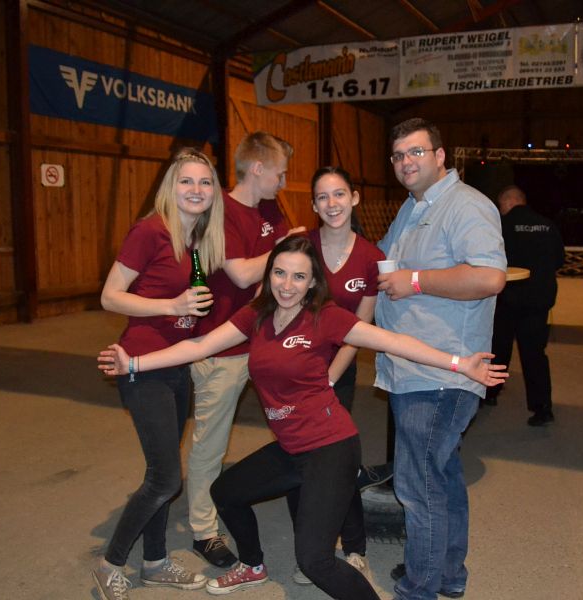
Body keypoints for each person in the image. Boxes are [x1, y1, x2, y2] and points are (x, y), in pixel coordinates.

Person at [97, 236, 508, 600]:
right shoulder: (257, 315)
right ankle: (253, 565)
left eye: (298, 277)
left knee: (314, 561)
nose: (287, 285)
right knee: (226, 492)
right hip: (291, 448)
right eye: (280, 273)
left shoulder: (325, 317)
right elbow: (200, 345)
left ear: (312, 282)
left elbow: (392, 341)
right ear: (269, 274)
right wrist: (133, 363)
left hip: (331, 448)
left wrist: (460, 364)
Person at [375, 118, 507, 600]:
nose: (405, 162)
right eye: (398, 155)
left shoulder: (465, 205)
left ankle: (420, 587)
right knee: (442, 476)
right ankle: (447, 573)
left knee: (418, 484)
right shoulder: (412, 208)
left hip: (440, 375)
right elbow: (379, 263)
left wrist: (415, 281)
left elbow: (489, 277)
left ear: (439, 155)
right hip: (413, 368)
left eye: (415, 152)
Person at [90, 148, 224, 600]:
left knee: (162, 470)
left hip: (175, 366)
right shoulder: (150, 231)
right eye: (186, 181)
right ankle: (110, 563)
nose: (196, 190)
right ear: (171, 187)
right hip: (142, 365)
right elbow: (110, 296)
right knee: (166, 479)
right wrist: (171, 305)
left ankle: (154, 562)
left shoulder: (197, 238)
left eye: (204, 182)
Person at [186, 131, 305, 568]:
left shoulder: (270, 207)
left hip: (265, 339)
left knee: (294, 425)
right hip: (222, 347)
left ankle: (305, 506)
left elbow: (288, 261)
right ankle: (203, 530)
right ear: (257, 168)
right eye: (280, 173)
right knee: (210, 444)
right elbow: (240, 273)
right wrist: (281, 248)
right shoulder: (220, 211)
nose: (283, 182)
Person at [287, 166, 386, 585]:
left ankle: (355, 548)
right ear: (313, 204)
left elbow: (359, 329)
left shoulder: (371, 257)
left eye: (339, 194)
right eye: (323, 197)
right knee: (300, 458)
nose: (332, 204)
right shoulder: (300, 247)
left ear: (354, 198)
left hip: (335, 373)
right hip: (296, 369)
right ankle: (312, 550)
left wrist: (327, 380)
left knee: (337, 460)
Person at [486, 185, 564, 426]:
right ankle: (542, 408)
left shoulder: (500, 226)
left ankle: (491, 393)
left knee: (499, 348)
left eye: (501, 205)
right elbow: (559, 260)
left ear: (509, 202)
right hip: (538, 301)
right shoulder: (547, 225)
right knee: (535, 354)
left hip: (507, 299)